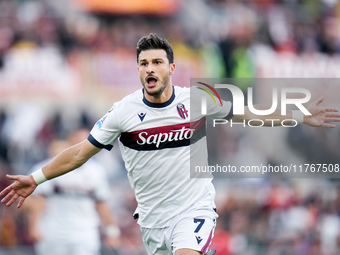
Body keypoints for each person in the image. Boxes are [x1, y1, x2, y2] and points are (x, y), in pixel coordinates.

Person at [1, 33, 340, 255]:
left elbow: (248, 113)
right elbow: (79, 153)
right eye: (144, 63)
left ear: (171, 68)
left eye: (157, 62)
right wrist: (39, 177)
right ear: (138, 70)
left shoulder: (197, 100)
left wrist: (299, 114)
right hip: (152, 222)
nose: (150, 68)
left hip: (193, 211)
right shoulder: (123, 112)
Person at [24, 129, 121, 255]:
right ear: (69, 143)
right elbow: (39, 201)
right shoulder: (49, 168)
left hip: (84, 233)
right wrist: (34, 226)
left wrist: (112, 231)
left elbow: (101, 204)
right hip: (53, 232)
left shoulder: (96, 172)